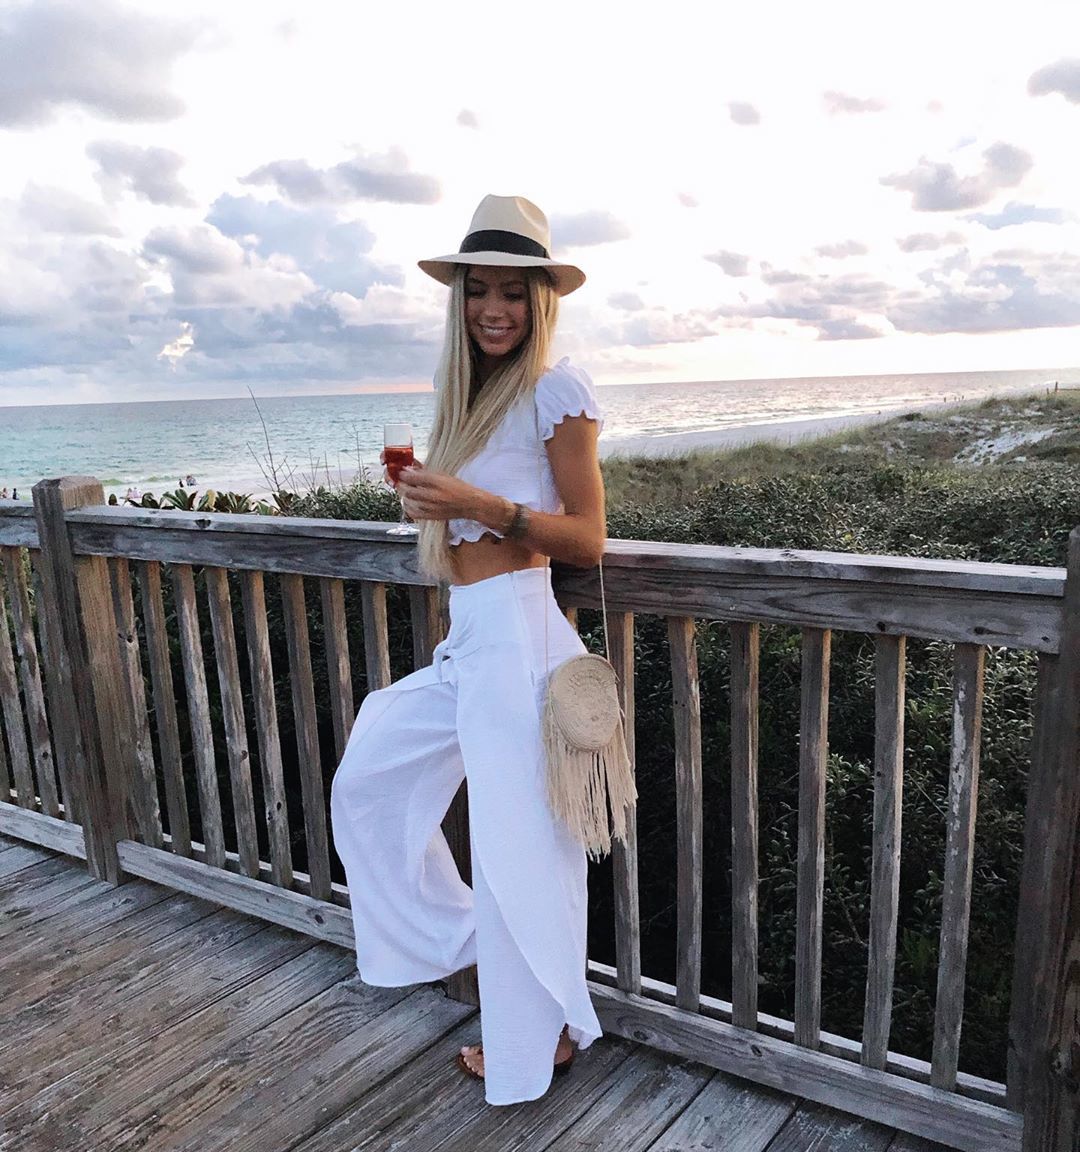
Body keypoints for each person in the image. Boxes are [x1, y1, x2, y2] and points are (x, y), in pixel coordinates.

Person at [330, 195, 606, 1106]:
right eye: (479, 290)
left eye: (513, 293)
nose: (494, 308)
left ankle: (537, 1044)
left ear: (540, 302)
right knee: (369, 778)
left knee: (518, 852)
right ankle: (492, 941)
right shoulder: (471, 397)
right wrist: (431, 503)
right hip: (474, 638)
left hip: (520, 636)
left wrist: (477, 506)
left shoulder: (556, 391)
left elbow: (588, 537)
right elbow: (467, 524)